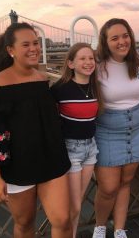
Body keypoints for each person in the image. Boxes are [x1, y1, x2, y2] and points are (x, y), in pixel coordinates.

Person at [0, 22, 72, 238]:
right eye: (26, 44)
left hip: (51, 159)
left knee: (63, 220)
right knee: (25, 223)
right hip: (18, 166)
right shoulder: (1, 83)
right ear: (11, 50)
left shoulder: (41, 78)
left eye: (36, 43)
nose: (34, 49)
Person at [92, 18, 139, 238]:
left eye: (125, 35)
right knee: (108, 187)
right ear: (105, 42)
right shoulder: (96, 64)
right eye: (114, 38)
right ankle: (100, 226)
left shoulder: (138, 60)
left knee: (125, 182)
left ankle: (119, 229)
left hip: (137, 127)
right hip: (107, 130)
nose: (122, 41)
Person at [50, 43, 103, 238]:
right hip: (71, 149)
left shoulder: (95, 85)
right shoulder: (60, 89)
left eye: (91, 58)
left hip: (91, 147)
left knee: (78, 202)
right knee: (73, 205)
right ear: (71, 64)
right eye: (82, 58)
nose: (88, 62)